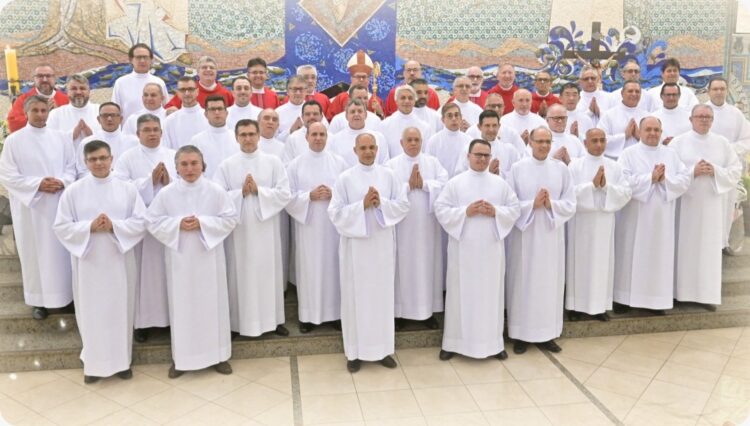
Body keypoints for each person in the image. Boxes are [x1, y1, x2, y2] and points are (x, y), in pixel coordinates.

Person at [54, 140, 146, 384]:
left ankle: (122, 362)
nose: (99, 163)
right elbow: (61, 226)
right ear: (85, 162)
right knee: (91, 312)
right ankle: (94, 365)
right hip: (89, 263)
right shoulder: (74, 190)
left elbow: (140, 222)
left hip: (119, 260)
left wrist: (114, 226)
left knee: (120, 309)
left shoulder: (127, 189)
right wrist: (89, 227)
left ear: (111, 159)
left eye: (103, 158)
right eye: (93, 159)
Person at [146, 145, 238, 378]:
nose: (189, 168)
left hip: (209, 259)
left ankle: (219, 356)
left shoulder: (216, 191)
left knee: (213, 306)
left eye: (194, 163)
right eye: (184, 164)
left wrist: (203, 224)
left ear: (203, 165)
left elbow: (230, 219)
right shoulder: (166, 194)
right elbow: (153, 221)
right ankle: (182, 359)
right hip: (180, 262)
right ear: (176, 167)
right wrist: (177, 224)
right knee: (183, 307)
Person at [328, 133, 409, 373]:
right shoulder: (344, 179)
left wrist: (381, 203)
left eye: (372, 147)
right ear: (355, 150)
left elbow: (404, 205)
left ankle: (383, 350)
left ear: (378, 149)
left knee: (381, 298)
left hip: (382, 246)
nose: (368, 152)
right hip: (356, 249)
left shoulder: (389, 176)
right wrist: (361, 206)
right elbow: (334, 213)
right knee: (356, 298)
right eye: (363, 148)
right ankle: (355, 352)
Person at [435, 139, 520, 361]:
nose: (482, 159)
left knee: (490, 295)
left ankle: (493, 344)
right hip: (464, 250)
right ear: (468, 156)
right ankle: (453, 343)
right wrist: (465, 212)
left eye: (486, 155)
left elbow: (514, 209)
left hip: (491, 250)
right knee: (459, 294)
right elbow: (441, 209)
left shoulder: (500, 184)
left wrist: (496, 212)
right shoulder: (456, 183)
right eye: (478, 155)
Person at [0, 95, 76, 320]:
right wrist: (38, 184)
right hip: (30, 208)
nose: (41, 115)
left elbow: (72, 168)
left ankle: (65, 298)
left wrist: (62, 181)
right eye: (36, 110)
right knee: (34, 254)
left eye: (44, 110)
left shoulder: (62, 138)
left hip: (58, 205)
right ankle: (38, 301)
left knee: (60, 253)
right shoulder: (15, 141)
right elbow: (7, 175)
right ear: (26, 112)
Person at [215, 119, 291, 338]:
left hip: (266, 229)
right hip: (239, 232)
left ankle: (273, 321)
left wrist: (260, 192)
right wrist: (240, 193)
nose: (247, 139)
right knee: (240, 274)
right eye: (243, 135)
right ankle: (238, 324)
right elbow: (218, 197)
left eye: (251, 134)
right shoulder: (226, 165)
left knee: (269, 273)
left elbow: (284, 193)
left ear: (259, 136)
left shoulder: (273, 162)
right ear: (236, 137)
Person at [506, 127, 576, 354]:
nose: (544, 146)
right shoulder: (517, 169)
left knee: (549, 284)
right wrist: (531, 205)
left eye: (548, 141)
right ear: (531, 143)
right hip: (525, 237)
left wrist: (550, 205)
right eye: (539, 141)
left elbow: (570, 203)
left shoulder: (561, 170)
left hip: (550, 237)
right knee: (523, 282)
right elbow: (510, 203)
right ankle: (521, 334)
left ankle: (548, 334)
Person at [613, 117, 691, 315]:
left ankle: (656, 300)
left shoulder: (670, 154)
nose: (653, 133)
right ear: (639, 131)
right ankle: (624, 298)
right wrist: (650, 178)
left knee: (658, 257)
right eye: (648, 129)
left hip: (661, 218)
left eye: (656, 129)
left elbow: (683, 180)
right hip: (634, 217)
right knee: (629, 254)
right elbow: (622, 182)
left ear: (661, 131)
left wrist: (665, 180)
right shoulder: (628, 154)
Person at [671, 106, 741, 310]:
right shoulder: (678, 142)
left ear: (713, 120)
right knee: (684, 248)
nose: (704, 120)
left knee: (709, 250)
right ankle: (680, 293)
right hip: (685, 206)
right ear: (691, 119)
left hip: (712, 206)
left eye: (708, 117)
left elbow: (735, 170)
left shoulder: (722, 143)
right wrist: (693, 171)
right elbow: (672, 170)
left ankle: (706, 295)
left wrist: (715, 171)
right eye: (700, 116)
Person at [114, 114, 175, 342]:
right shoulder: (127, 158)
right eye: (146, 130)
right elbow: (120, 188)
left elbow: (187, 182)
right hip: (142, 225)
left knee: (168, 271)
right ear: (138, 134)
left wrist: (169, 182)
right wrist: (149, 181)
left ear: (161, 132)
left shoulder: (172, 155)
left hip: (169, 222)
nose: (151, 134)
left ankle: (170, 319)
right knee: (143, 274)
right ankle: (142, 322)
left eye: (155, 129)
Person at [286, 122, 348, 333]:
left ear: (327, 136)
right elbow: (288, 196)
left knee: (333, 268)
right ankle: (308, 316)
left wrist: (334, 195)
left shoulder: (339, 162)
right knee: (309, 269)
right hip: (309, 225)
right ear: (306, 137)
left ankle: (335, 315)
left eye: (322, 134)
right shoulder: (295, 165)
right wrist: (308, 196)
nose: (318, 138)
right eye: (314, 134)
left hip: (333, 228)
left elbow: (347, 192)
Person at [565, 129, 632, 321]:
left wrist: (606, 187)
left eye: (602, 140)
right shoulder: (575, 166)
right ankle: (576, 307)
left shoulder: (614, 166)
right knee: (580, 263)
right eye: (594, 140)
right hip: (581, 223)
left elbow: (626, 192)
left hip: (604, 221)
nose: (599, 144)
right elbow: (568, 194)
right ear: (585, 143)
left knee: (602, 264)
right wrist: (591, 186)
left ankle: (600, 307)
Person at [386, 127, 448, 330]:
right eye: (409, 140)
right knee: (403, 267)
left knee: (426, 266)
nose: (413, 143)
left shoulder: (433, 162)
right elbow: (386, 192)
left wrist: (424, 184)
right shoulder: (391, 166)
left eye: (417, 140)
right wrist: (407, 186)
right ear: (401, 143)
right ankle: (400, 312)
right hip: (402, 227)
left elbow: (444, 185)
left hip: (427, 227)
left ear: (422, 142)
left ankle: (426, 312)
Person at [706, 77, 750, 246]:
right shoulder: (700, 111)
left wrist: (728, 150)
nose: (719, 92)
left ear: (726, 91)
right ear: (708, 91)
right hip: (705, 170)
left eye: (722, 89)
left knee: (725, 209)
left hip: (727, 171)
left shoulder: (735, 114)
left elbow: (747, 139)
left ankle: (721, 244)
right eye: (715, 89)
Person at [76, 102, 138, 179]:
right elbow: (82, 171)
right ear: (98, 119)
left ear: (121, 119)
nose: (109, 118)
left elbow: (137, 169)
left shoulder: (133, 142)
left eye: (113, 115)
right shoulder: (87, 142)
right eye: (105, 115)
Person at [454, 110, 524, 178]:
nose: (491, 129)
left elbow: (518, 174)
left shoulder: (510, 150)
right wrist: (487, 173)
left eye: (494, 125)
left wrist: (500, 174)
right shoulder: (469, 150)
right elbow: (460, 176)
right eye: (487, 125)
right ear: (479, 127)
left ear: (499, 126)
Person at [111, 43, 169, 123]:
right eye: (138, 57)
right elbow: (115, 112)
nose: (142, 60)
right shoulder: (121, 82)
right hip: (129, 132)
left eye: (145, 57)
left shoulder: (159, 82)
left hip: (154, 132)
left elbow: (166, 108)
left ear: (151, 60)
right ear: (131, 60)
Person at [7, 64, 69, 133]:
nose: (44, 79)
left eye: (48, 76)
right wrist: (42, 114)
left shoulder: (66, 99)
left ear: (54, 78)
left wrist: (57, 114)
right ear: (34, 79)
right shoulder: (23, 100)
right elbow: (13, 125)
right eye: (40, 76)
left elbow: (72, 124)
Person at [328, 98, 390, 167]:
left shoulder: (378, 137)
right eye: (352, 112)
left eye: (360, 111)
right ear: (346, 116)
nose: (356, 114)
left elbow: (385, 163)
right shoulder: (335, 140)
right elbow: (333, 165)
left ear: (366, 115)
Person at [326, 50, 385, 121]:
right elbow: (330, 121)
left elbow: (384, 124)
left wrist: (380, 113)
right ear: (351, 78)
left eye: (364, 77)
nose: (361, 80)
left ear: (369, 79)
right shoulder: (340, 99)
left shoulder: (376, 100)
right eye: (358, 76)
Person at [188, 96, 238, 178]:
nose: (217, 112)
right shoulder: (196, 140)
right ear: (205, 114)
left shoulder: (237, 138)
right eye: (212, 109)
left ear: (226, 112)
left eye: (220, 108)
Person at [597, 81, 649, 159]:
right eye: (630, 91)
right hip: (616, 161)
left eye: (637, 91)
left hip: (642, 160)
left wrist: (639, 137)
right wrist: (624, 136)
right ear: (622, 93)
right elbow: (600, 140)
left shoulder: (647, 116)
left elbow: (657, 141)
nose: (634, 94)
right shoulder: (609, 115)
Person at [46, 74, 101, 148]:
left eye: (82, 88)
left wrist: (92, 135)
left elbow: (111, 138)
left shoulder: (100, 111)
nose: (78, 92)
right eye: (74, 89)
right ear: (67, 91)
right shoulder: (56, 114)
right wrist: (71, 135)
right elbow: (48, 142)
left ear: (89, 90)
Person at [380, 85, 432, 157]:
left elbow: (427, 154)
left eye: (410, 98)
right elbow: (383, 154)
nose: (407, 101)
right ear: (396, 101)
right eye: (403, 98)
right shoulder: (384, 125)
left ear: (414, 101)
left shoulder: (424, 127)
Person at [165, 56, 233, 109]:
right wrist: (171, 110)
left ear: (216, 72)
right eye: (204, 67)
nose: (208, 70)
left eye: (211, 67)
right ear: (197, 72)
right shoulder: (188, 91)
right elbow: (169, 107)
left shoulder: (227, 94)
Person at [426, 103, 472, 176]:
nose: (454, 119)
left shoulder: (469, 141)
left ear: (461, 118)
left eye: (456, 115)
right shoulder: (434, 141)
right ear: (443, 120)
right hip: (440, 184)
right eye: (450, 116)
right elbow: (429, 167)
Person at [162, 76, 209, 149]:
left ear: (197, 92)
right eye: (183, 90)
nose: (187, 93)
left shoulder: (208, 118)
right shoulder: (169, 121)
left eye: (190, 89)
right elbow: (166, 149)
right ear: (177, 93)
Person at [276, 75, 311, 141]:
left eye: (301, 89)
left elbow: (326, 133)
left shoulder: (314, 109)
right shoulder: (278, 112)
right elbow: (273, 140)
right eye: (294, 89)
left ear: (306, 91)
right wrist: (290, 131)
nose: (298, 93)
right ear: (288, 91)